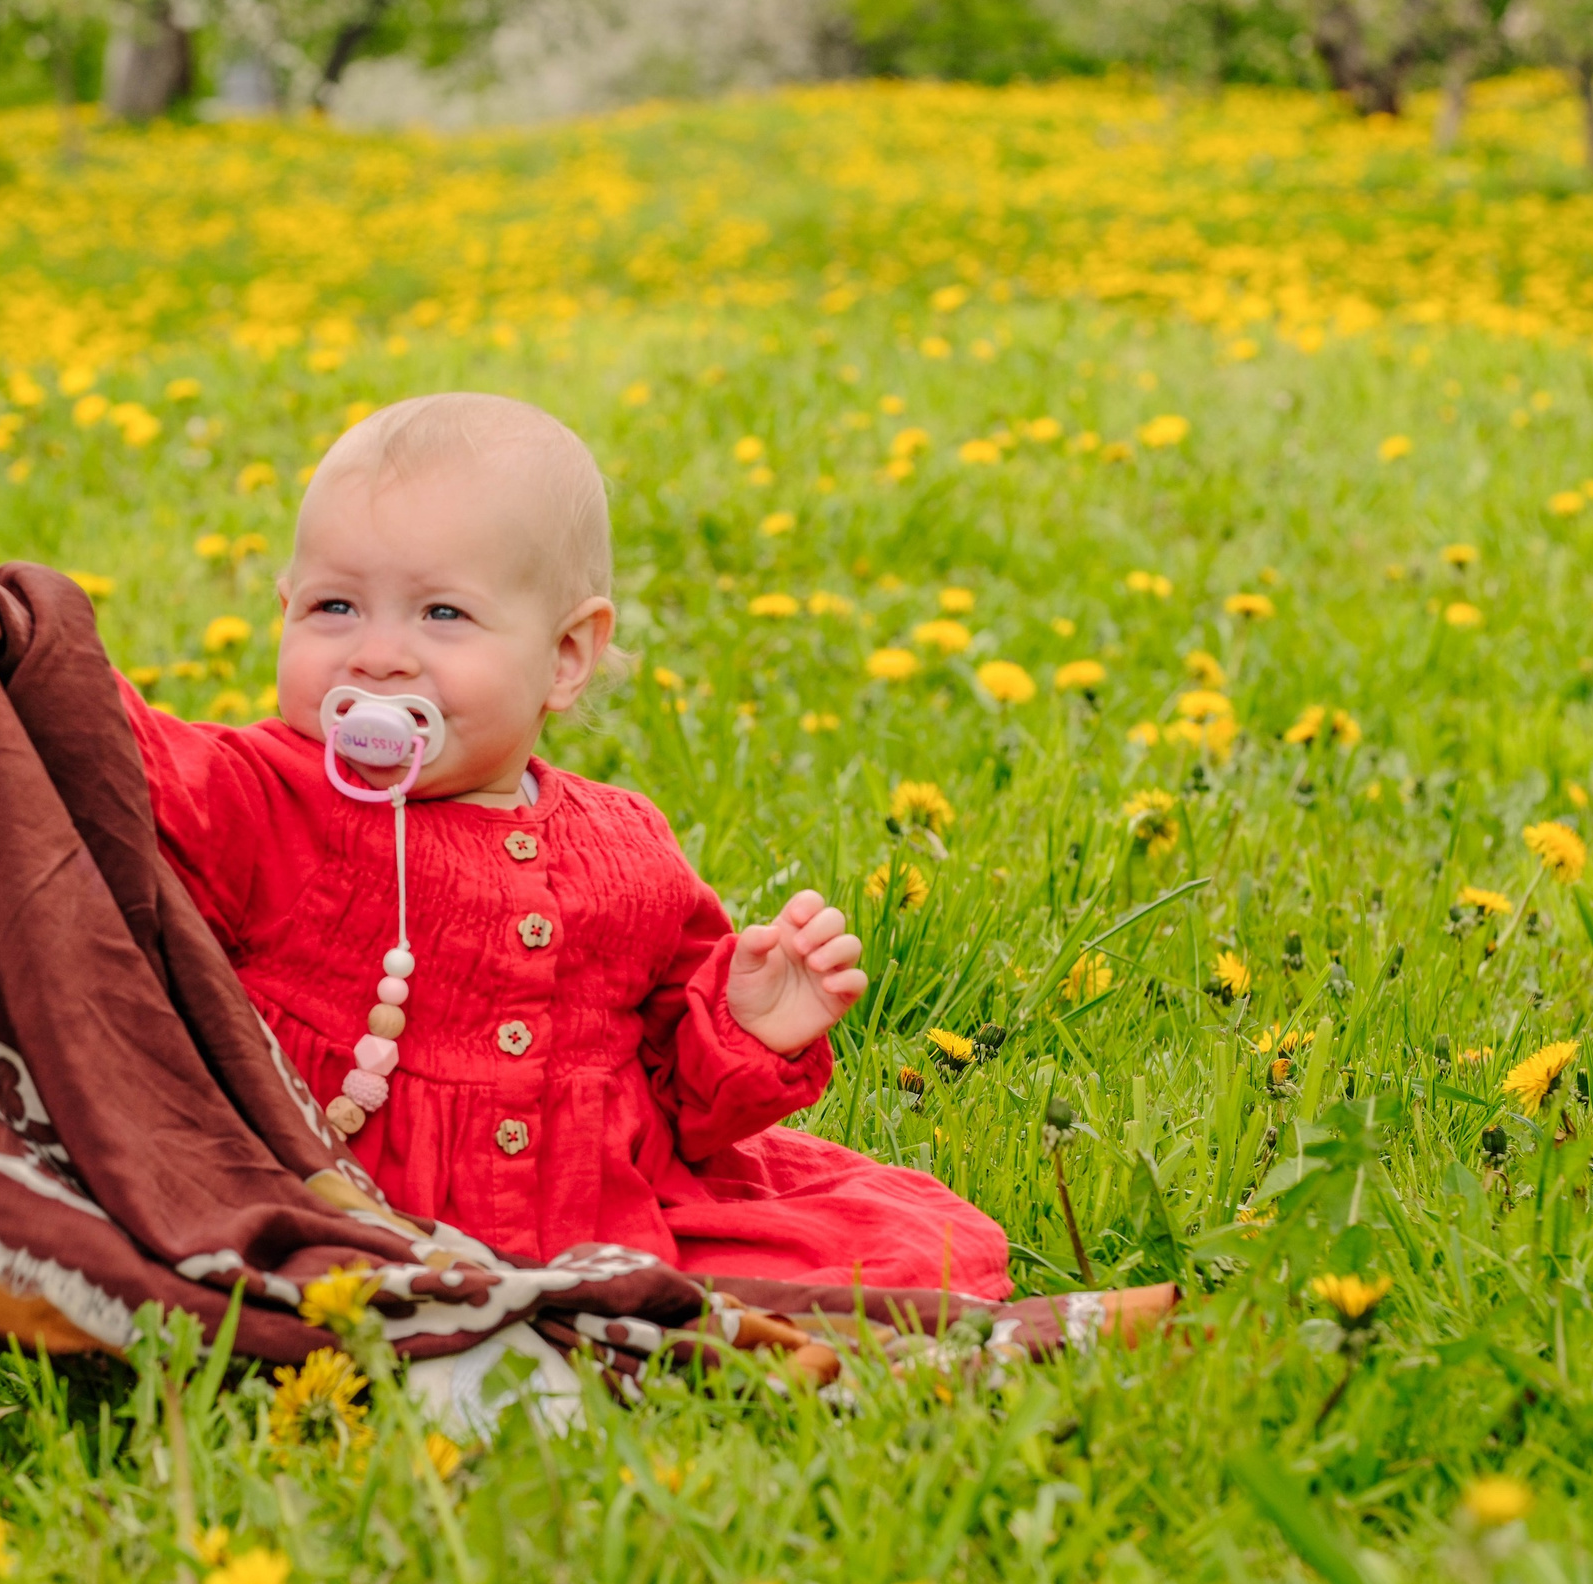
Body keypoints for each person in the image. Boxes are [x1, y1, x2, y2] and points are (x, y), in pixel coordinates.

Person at [120, 393, 1007, 1299]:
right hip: (336, 1225)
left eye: (443, 615)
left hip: (600, 1221)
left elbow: (677, 1095)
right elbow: (114, 762)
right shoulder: (264, 793)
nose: (377, 655)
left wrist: (744, 1025)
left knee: (909, 1250)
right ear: (284, 610)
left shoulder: (627, 848)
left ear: (568, 655)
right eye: (334, 606)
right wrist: (28, 643)